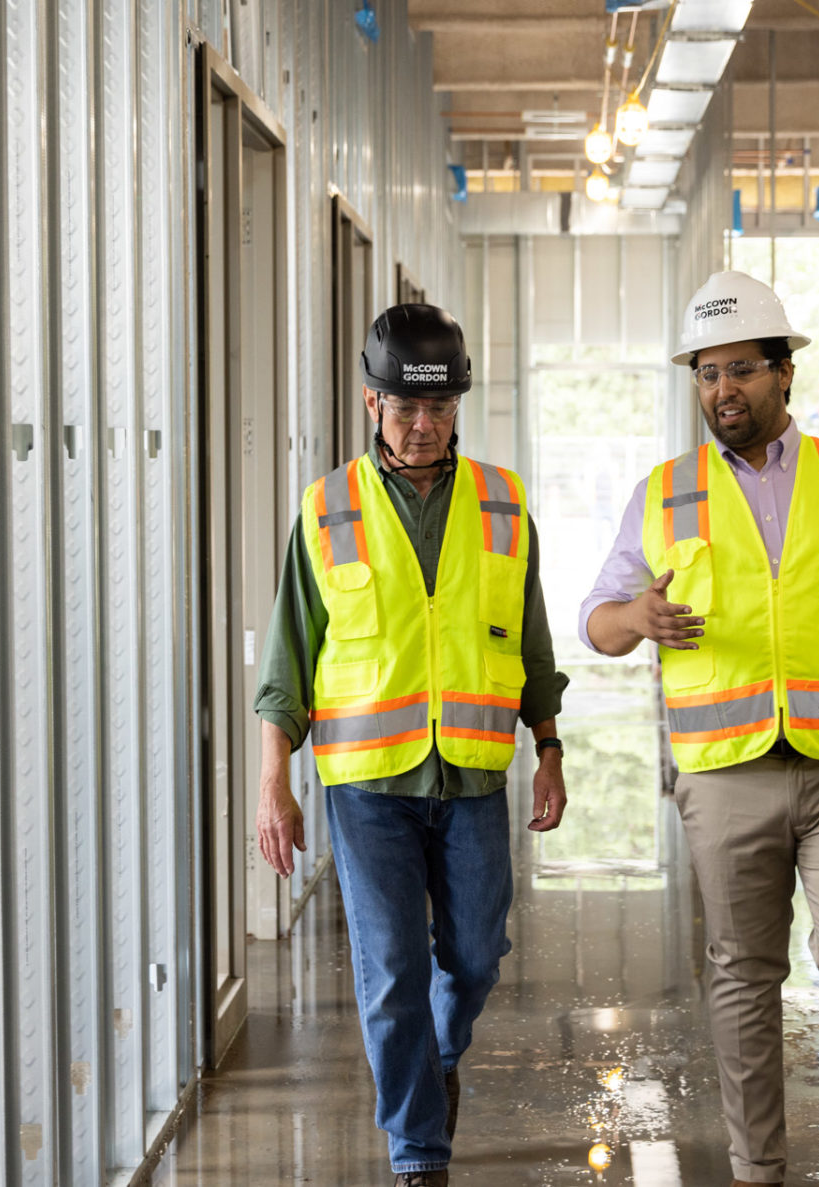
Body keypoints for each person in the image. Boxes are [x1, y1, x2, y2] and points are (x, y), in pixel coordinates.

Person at [579, 272, 819, 1187]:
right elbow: (596, 619)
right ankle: (758, 1168)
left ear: (785, 374)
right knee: (743, 973)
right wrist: (639, 617)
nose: (722, 391)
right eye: (706, 375)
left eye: (740, 369)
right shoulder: (666, 492)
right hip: (723, 771)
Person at [254, 303, 569, 1187]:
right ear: (371, 403)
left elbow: (531, 641)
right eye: (403, 409)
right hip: (365, 787)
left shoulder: (504, 505)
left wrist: (549, 746)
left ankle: (435, 1058)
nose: (422, 426)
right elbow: (288, 660)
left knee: (474, 954)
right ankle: (418, 1151)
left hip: (472, 773)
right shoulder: (327, 510)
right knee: (390, 970)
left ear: (459, 403)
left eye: (437, 408)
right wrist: (272, 782)